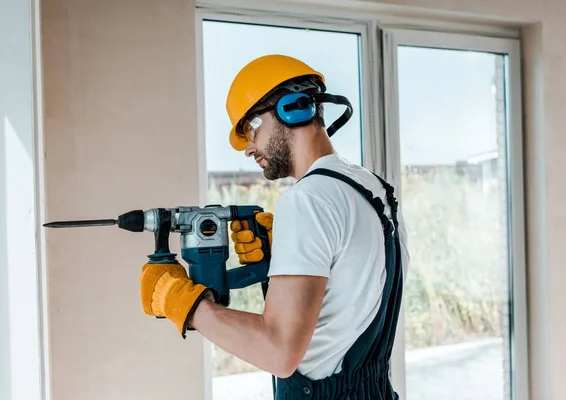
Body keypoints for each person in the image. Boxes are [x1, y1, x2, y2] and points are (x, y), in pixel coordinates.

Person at [138, 54, 409, 399]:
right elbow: (348, 302)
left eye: (251, 128)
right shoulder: (375, 189)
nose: (249, 148)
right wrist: (280, 262)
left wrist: (184, 304)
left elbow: (278, 352)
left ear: (292, 109)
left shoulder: (308, 198)